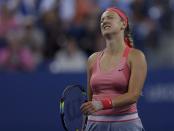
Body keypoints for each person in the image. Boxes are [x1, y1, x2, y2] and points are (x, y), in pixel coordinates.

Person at [80, 7, 147, 131]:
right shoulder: (92, 59)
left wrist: (101, 104)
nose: (104, 21)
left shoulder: (136, 56)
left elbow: (133, 95)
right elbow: (90, 101)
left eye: (110, 17)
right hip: (94, 125)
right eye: (102, 20)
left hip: (126, 125)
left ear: (123, 24)